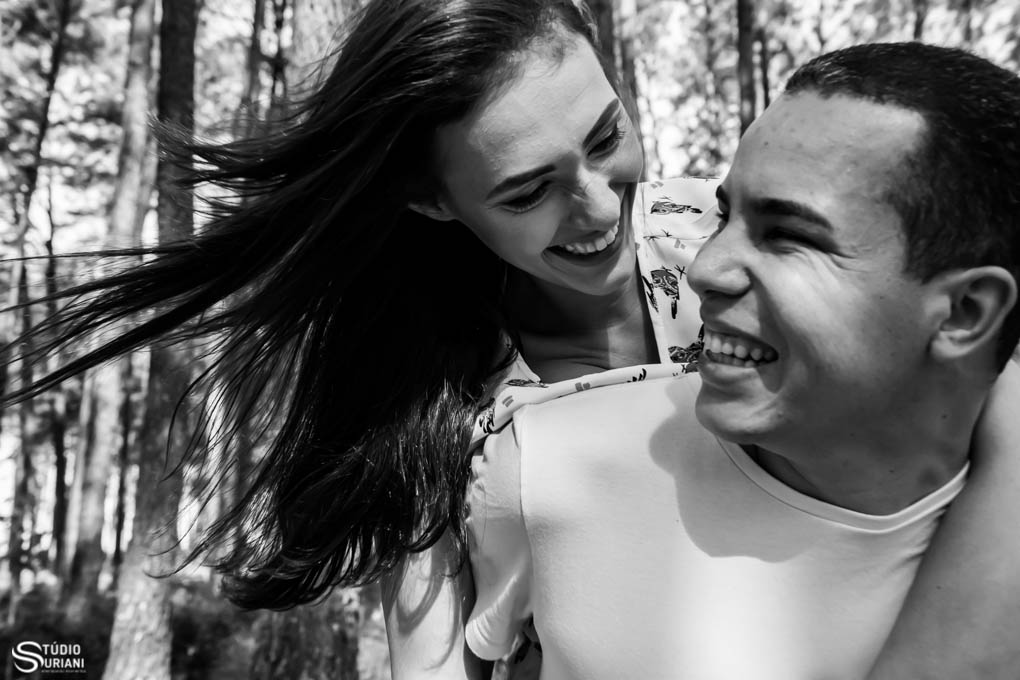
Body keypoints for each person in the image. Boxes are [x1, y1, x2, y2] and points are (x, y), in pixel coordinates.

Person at [3, 0, 1016, 676]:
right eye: (528, 188)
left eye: (606, 137)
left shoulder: (714, 232)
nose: (599, 206)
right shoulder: (455, 425)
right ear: (434, 201)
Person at [465, 41, 1020, 679]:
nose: (705, 268)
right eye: (723, 214)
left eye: (789, 236)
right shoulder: (537, 464)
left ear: (965, 313)